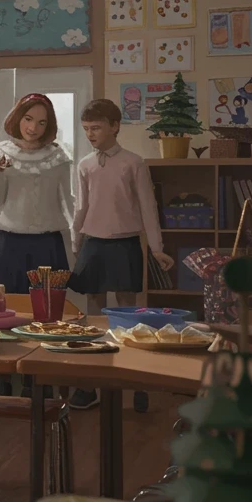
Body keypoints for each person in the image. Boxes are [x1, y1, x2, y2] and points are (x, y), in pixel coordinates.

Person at [68, 98, 174, 413]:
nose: (91, 134)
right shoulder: (85, 164)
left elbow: (148, 207)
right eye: (86, 129)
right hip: (93, 244)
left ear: (115, 126)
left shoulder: (133, 162)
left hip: (125, 243)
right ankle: (91, 385)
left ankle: (135, 381)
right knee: (94, 316)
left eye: (97, 127)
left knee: (130, 314)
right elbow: (81, 206)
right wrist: (77, 241)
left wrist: (156, 248)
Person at [0, 94, 74, 293]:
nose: (33, 128)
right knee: (11, 308)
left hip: (48, 243)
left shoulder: (58, 156)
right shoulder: (1, 153)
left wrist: (78, 238)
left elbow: (68, 200)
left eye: (41, 123)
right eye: (28, 119)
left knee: (49, 310)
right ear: (17, 118)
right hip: (10, 243)